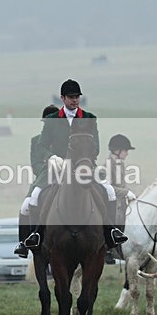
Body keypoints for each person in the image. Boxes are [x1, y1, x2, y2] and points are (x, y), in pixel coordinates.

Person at [13, 79, 128, 257]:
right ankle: (33, 237)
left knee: (110, 191)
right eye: (71, 97)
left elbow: (95, 146)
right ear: (63, 98)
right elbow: (42, 146)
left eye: (77, 97)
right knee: (31, 201)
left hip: (85, 166)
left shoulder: (89, 118)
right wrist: (51, 157)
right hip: (56, 168)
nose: (75, 100)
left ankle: (111, 233)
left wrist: (86, 161)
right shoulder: (52, 120)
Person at [13, 104, 59, 258]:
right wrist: (49, 171)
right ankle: (24, 243)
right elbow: (36, 165)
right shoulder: (36, 141)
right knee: (26, 206)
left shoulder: (66, 140)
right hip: (44, 179)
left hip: (68, 177)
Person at [102, 134, 135, 264]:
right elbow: (109, 186)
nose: (127, 154)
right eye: (126, 150)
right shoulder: (109, 165)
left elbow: (122, 184)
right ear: (118, 150)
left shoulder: (119, 163)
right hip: (110, 201)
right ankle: (108, 248)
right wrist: (126, 192)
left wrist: (132, 194)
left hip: (119, 200)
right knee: (117, 217)